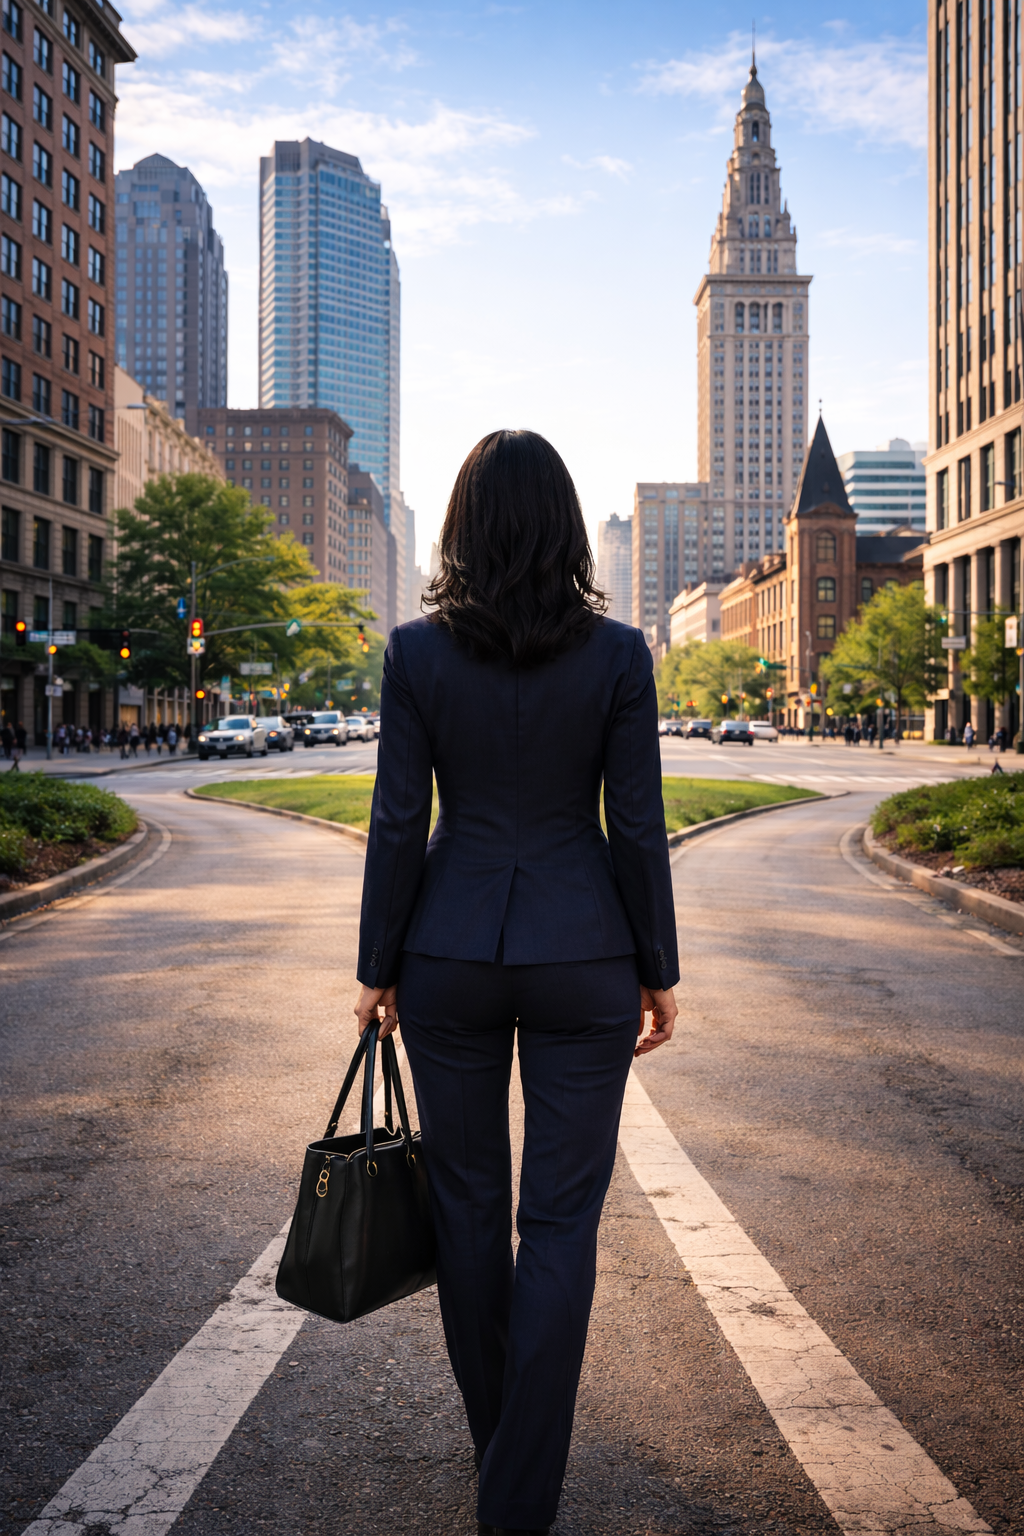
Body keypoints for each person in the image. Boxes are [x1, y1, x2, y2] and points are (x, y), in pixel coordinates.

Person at [354, 430, 679, 1536]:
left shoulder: (414, 652)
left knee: (466, 1212)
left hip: (446, 959)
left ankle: (504, 1461)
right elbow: (635, 826)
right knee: (558, 1226)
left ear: (459, 527)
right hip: (586, 956)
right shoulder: (620, 654)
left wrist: (374, 969)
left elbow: (400, 823)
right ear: (564, 527)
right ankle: (517, 1495)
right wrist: (658, 969)